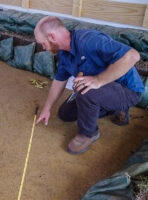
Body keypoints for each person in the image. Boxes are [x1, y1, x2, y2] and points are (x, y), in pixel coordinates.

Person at [34, 16, 144, 154]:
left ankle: (88, 133)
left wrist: (98, 80)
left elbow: (133, 56)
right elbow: (59, 81)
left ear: (52, 36)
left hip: (127, 90)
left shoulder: (89, 40)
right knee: (65, 114)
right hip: (103, 91)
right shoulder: (63, 54)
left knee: (86, 90)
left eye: (43, 43)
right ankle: (114, 109)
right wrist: (47, 108)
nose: (43, 48)